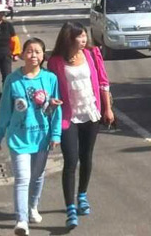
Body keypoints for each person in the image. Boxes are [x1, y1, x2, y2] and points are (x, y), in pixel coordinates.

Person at [46, 22, 113, 229]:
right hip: (67, 116)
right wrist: (50, 101)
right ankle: (70, 209)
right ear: (69, 38)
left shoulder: (92, 54)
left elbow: (103, 82)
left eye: (85, 36)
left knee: (86, 157)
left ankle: (82, 194)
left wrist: (107, 108)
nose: (84, 40)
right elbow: (51, 87)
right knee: (71, 160)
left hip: (91, 113)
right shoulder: (56, 62)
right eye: (80, 37)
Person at [0, 37, 61, 235]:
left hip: (42, 137)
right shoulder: (12, 80)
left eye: (38, 52)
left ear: (43, 56)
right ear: (22, 54)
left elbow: (55, 110)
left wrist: (56, 134)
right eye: (29, 51)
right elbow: (5, 110)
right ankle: (21, 220)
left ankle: (33, 207)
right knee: (23, 178)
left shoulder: (50, 79)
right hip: (18, 138)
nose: (33, 55)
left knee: (38, 176)